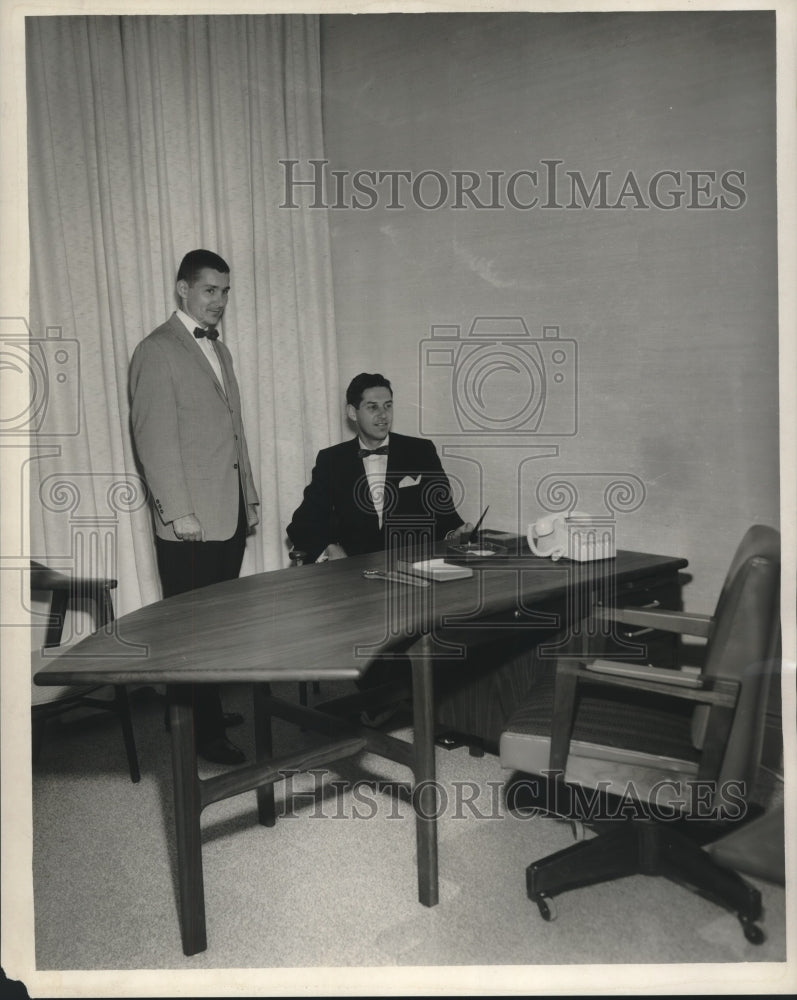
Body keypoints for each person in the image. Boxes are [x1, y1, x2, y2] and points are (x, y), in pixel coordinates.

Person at [129, 249, 259, 765]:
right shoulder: (156, 350)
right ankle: (203, 734)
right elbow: (152, 439)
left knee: (218, 623)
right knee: (193, 630)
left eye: (225, 292)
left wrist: (249, 496)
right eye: (210, 290)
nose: (219, 302)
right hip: (190, 521)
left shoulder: (218, 351)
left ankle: (196, 707)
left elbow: (234, 433)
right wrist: (177, 511)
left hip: (226, 512)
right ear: (182, 289)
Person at [287, 372, 473, 562]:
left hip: (413, 571)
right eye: (372, 407)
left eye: (388, 406)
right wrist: (328, 548)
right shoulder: (332, 460)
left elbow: (445, 515)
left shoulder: (421, 451)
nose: (383, 415)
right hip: (351, 575)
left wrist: (454, 535)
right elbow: (302, 523)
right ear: (353, 412)